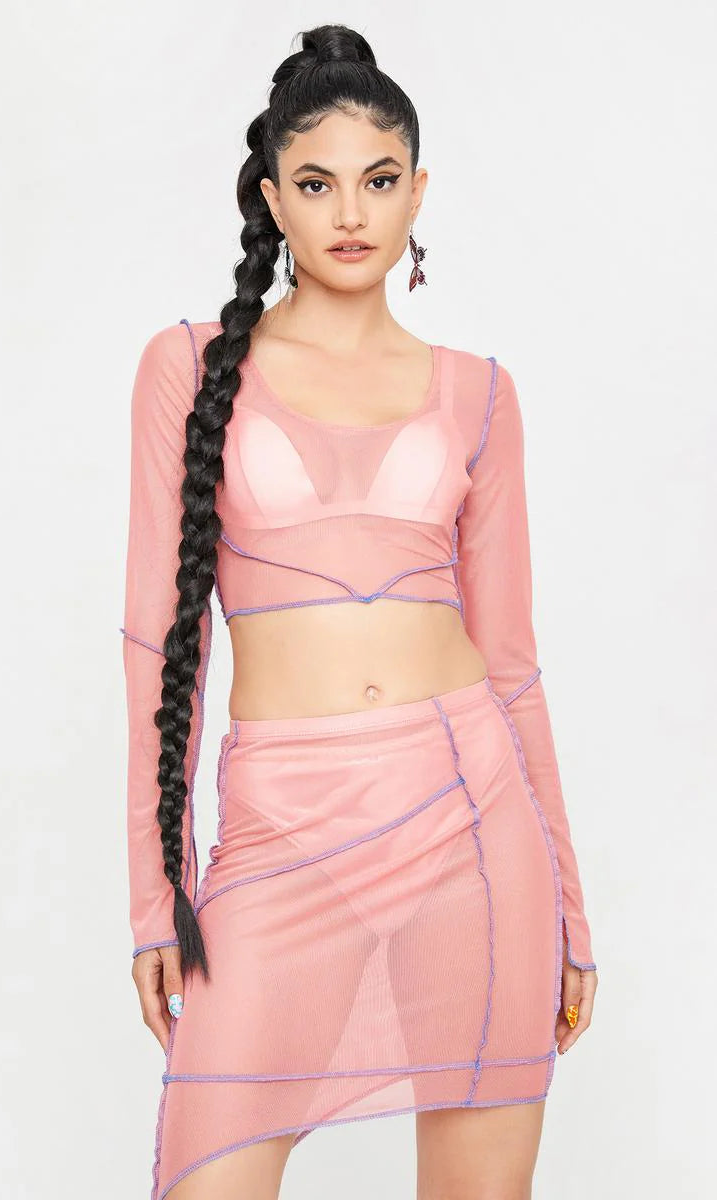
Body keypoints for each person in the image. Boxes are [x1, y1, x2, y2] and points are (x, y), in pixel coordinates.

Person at [120, 22, 598, 1200]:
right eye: (317, 183)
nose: (350, 213)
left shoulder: (481, 395)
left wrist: (571, 908)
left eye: (380, 182)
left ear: (418, 193)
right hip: (280, 834)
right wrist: (155, 894)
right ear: (272, 198)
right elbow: (157, 648)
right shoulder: (188, 368)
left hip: (471, 824)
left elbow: (512, 662)